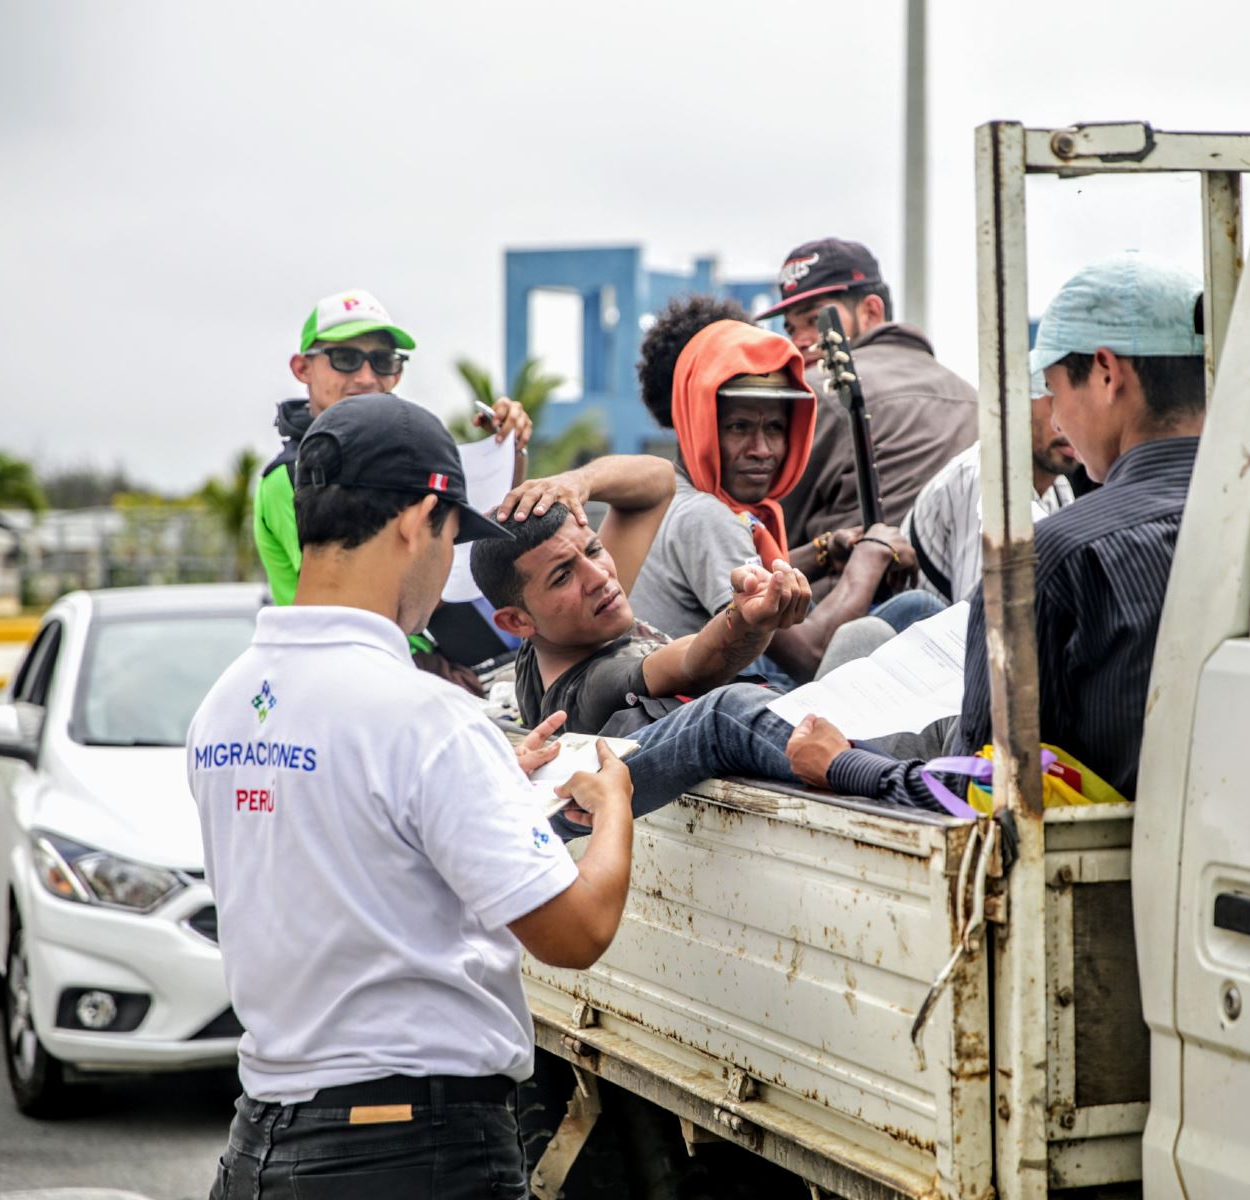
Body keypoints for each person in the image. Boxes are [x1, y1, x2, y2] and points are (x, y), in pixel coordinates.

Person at [187, 393, 635, 1198]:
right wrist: (616, 806)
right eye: (454, 536)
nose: (448, 565)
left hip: (260, 1146)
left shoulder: (224, 701)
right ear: (419, 517)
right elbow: (576, 930)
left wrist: (496, 788)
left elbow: (353, 858)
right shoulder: (427, 718)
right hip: (414, 1154)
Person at [603, 252, 1209, 816]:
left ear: (1105, 374)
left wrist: (844, 766)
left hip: (1013, 802)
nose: (1056, 414)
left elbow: (978, 790)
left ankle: (572, 811)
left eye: (1054, 388)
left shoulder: (1052, 555)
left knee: (729, 714)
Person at [627, 307, 926, 682]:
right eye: (739, 427)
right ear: (699, 425)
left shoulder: (676, 493)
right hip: (715, 715)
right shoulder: (707, 517)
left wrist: (823, 551)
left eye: (775, 428)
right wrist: (871, 554)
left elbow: (746, 572)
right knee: (915, 607)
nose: (762, 449)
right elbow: (809, 655)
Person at [253, 288, 531, 691]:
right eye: (345, 358)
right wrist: (419, 663)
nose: (367, 377)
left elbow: (488, 530)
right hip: (374, 678)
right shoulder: (293, 476)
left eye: (383, 361)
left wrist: (507, 452)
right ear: (302, 368)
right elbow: (351, 591)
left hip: (449, 671)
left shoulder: (403, 454)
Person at [468, 452, 812, 736]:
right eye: (562, 577)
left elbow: (660, 483)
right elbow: (692, 662)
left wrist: (577, 482)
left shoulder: (550, 634)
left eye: (593, 550)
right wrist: (744, 619)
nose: (599, 576)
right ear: (516, 621)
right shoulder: (590, 688)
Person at [759, 238, 979, 544]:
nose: (800, 341)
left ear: (872, 312)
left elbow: (768, 530)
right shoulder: (972, 397)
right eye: (791, 329)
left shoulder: (817, 391)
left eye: (813, 319)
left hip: (846, 586)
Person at [902, 370, 1077, 603]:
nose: (1065, 422)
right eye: (1055, 403)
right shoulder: (985, 476)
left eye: (1080, 408)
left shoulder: (1060, 488)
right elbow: (982, 617)